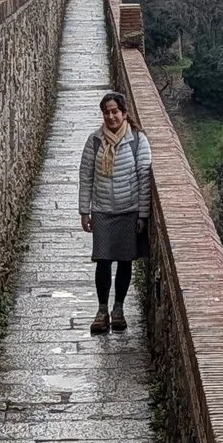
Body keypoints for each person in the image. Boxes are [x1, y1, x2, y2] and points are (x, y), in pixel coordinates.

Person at [77, 88, 154, 334]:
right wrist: (84, 211)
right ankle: (102, 310)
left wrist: (143, 215)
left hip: (128, 210)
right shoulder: (95, 141)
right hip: (102, 210)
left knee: (124, 261)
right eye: (106, 113)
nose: (111, 117)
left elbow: (144, 177)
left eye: (115, 112)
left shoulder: (138, 140)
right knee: (102, 261)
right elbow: (85, 175)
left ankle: (118, 309)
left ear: (124, 113)